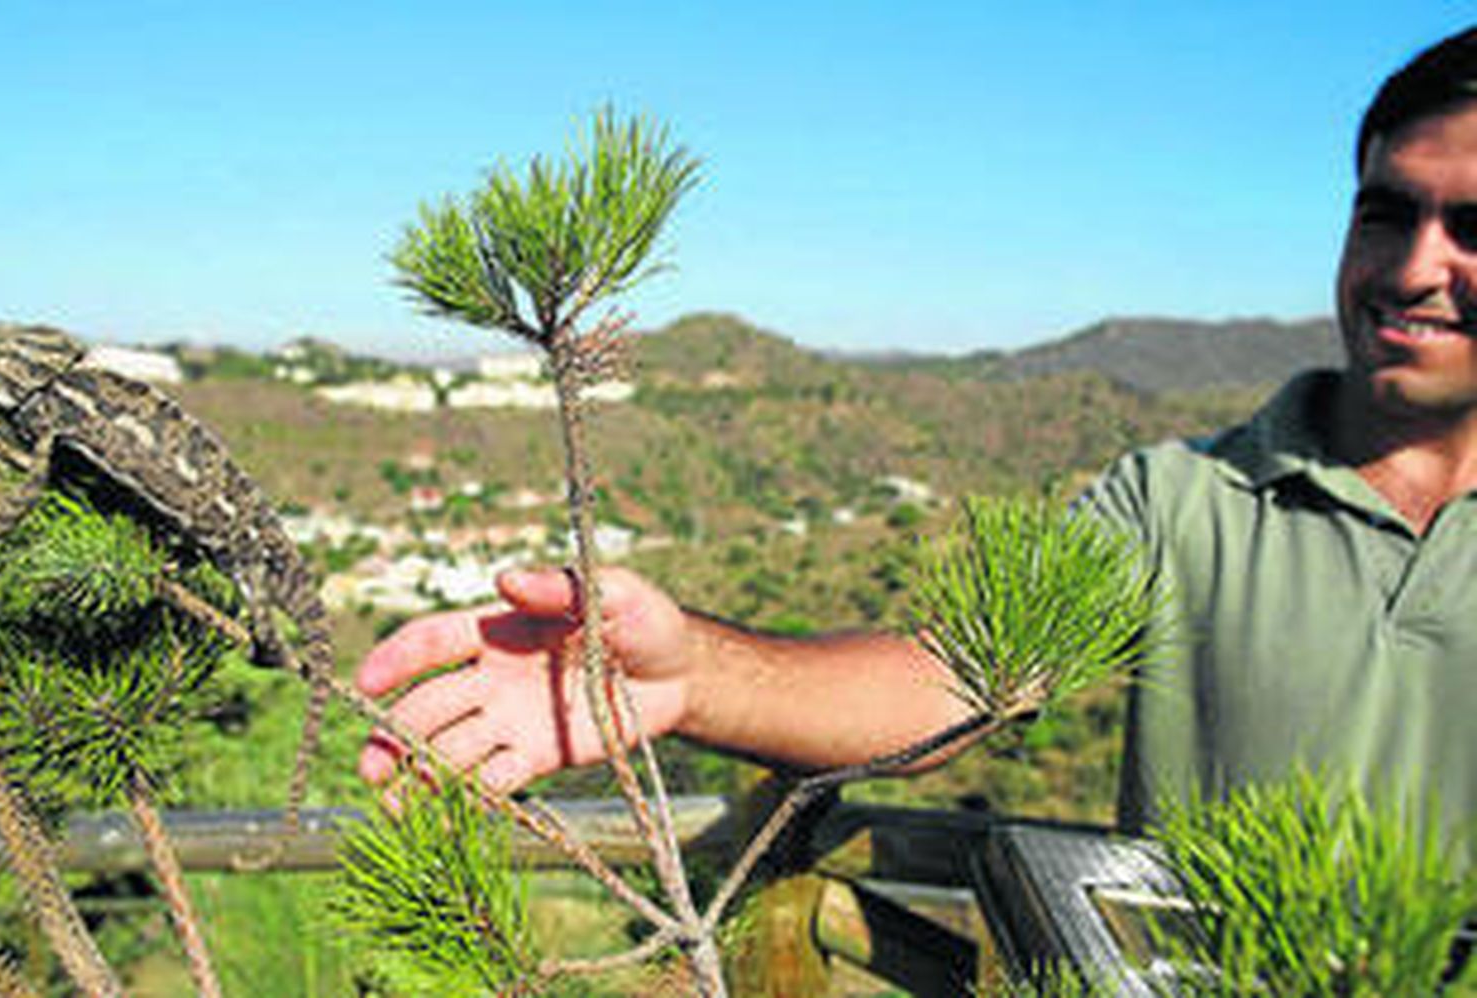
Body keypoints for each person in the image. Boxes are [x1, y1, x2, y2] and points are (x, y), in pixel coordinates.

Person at [357, 27, 1477, 837]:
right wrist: (688, 672)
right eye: (1386, 213)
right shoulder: (1179, 501)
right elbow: (949, 676)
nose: (1414, 267)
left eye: (1468, 227)